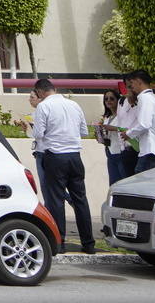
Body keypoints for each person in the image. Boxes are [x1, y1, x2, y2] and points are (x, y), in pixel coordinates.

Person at [26, 77, 95, 254]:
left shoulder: (44, 106)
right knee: (80, 200)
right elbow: (84, 132)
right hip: (75, 156)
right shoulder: (74, 105)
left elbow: (39, 134)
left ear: (40, 92)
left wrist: (34, 129)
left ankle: (60, 242)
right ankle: (88, 243)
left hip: (55, 156)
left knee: (56, 201)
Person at [123, 71, 155, 172]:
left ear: (138, 81)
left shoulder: (145, 98)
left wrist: (128, 133)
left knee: (143, 185)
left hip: (150, 153)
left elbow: (144, 124)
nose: (132, 87)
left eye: (132, 83)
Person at [97, 89, 135, 185]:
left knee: (124, 183)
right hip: (110, 153)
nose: (109, 101)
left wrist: (113, 128)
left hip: (121, 153)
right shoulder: (107, 118)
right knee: (113, 184)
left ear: (118, 100)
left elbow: (127, 130)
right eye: (106, 99)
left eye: (112, 98)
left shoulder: (123, 116)